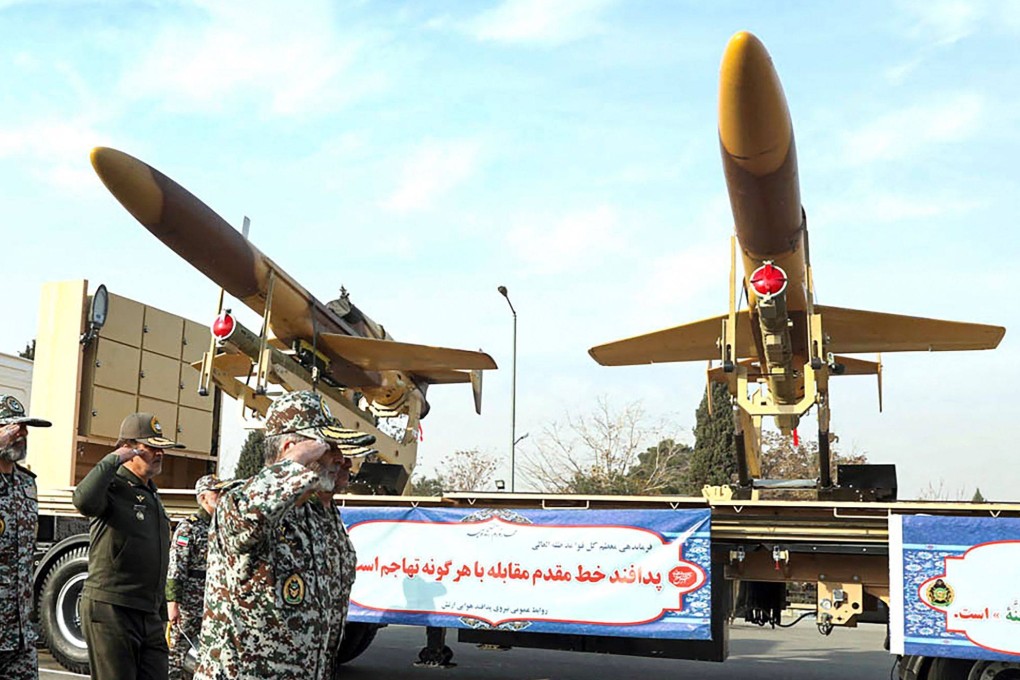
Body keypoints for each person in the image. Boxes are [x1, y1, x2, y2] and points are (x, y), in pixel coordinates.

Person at [194, 390, 372, 680]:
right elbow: (245, 520)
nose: (340, 459)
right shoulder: (237, 500)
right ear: (291, 447)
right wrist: (293, 464)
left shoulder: (316, 513)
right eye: (329, 448)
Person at [73, 412, 185, 680]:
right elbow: (83, 501)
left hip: (147, 611)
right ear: (130, 448)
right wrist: (113, 459)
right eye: (151, 448)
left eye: (162, 449)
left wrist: (160, 609)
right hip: (113, 608)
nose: (159, 454)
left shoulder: (151, 492)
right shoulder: (113, 484)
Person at [0, 395, 52, 680]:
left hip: (19, 632)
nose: (22, 434)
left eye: (25, 428)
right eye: (12, 427)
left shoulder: (26, 483)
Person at [166, 474, 227, 680]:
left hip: (214, 600)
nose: (221, 496)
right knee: (176, 652)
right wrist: (173, 602)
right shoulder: (189, 527)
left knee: (211, 654)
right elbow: (177, 565)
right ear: (203, 498)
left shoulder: (224, 526)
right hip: (191, 601)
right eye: (216, 492)